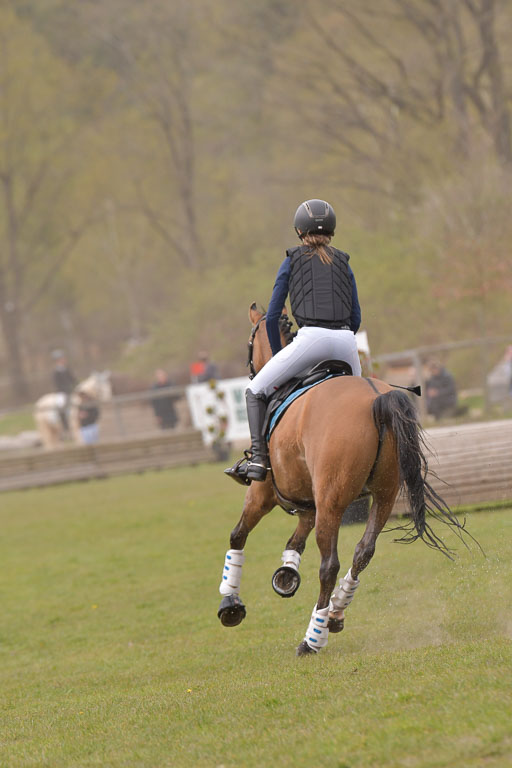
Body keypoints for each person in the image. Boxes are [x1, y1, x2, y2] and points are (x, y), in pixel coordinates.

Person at [226, 198, 362, 485]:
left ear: (299, 230)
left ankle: (259, 459)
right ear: (333, 231)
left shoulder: (291, 260)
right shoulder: (344, 262)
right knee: (362, 405)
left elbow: (273, 316)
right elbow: (356, 316)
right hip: (347, 342)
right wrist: (344, 338)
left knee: (254, 389)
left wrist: (277, 355)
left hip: (312, 338)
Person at [51, 349, 77, 432]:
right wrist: (65, 390)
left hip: (70, 391)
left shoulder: (67, 369)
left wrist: (76, 387)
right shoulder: (56, 372)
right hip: (61, 393)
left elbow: (73, 380)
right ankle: (65, 426)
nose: (64, 360)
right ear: (58, 360)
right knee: (60, 405)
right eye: (62, 358)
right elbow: (57, 384)